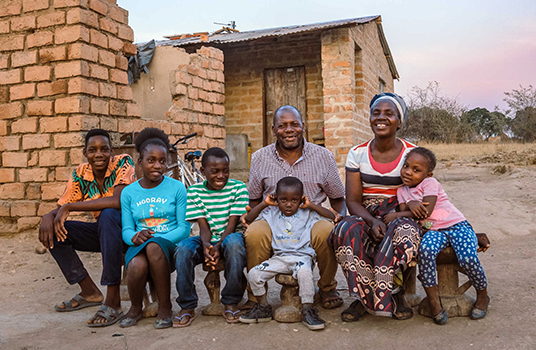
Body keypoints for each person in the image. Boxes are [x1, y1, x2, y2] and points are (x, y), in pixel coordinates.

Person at [328, 92, 421, 321]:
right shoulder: (357, 154)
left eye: (389, 114)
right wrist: (372, 221)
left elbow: (422, 193)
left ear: (399, 122)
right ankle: (363, 298)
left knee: (405, 233)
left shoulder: (412, 153)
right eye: (376, 113)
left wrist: (397, 217)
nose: (381, 118)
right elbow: (352, 201)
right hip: (367, 213)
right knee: (344, 231)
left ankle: (396, 294)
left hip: (401, 212)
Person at [244, 105, 346, 310]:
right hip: (273, 219)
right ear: (274, 130)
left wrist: (340, 216)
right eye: (282, 125)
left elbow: (337, 197)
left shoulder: (323, 156)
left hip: (311, 219)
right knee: (254, 233)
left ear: (303, 127)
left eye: (294, 124)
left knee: (327, 231)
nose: (289, 130)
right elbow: (254, 199)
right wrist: (251, 221)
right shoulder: (259, 158)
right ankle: (256, 295)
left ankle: (326, 287)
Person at [38, 129, 136, 327]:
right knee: (56, 232)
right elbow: (62, 207)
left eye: (104, 150)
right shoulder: (81, 173)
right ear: (85, 152)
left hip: (130, 233)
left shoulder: (123, 162)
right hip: (105, 234)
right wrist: (48, 217)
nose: (98, 154)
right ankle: (90, 291)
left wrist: (70, 207)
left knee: (108, 215)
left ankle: (113, 300)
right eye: (92, 150)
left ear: (112, 151)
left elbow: (116, 201)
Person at [384, 147, 490, 325]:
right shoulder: (402, 191)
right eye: (406, 166)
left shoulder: (430, 184)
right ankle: (434, 301)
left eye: (416, 170)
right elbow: (404, 209)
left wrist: (397, 215)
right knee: (425, 251)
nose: (408, 172)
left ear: (428, 174)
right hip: (433, 231)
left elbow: (426, 212)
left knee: (467, 259)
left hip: (457, 226)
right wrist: (411, 203)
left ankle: (482, 295)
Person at [240, 177, 335, 330]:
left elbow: (331, 217)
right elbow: (250, 218)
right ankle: (263, 307)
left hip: (302, 258)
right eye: (283, 199)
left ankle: (308, 309)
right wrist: (265, 203)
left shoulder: (308, 213)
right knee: (253, 274)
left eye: (294, 200)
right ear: (276, 198)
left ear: (301, 199)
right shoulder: (271, 213)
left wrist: (311, 205)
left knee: (305, 274)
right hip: (279, 258)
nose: (289, 204)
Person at [119, 128, 190, 329]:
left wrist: (157, 238)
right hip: (140, 244)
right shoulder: (129, 192)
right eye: (151, 160)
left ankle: (165, 306)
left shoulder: (177, 187)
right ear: (140, 162)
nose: (158, 166)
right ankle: (135, 307)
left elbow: (184, 228)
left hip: (168, 245)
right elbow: (126, 230)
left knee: (154, 247)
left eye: (162, 160)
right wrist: (134, 237)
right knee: (136, 265)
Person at [173, 147, 249, 327]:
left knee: (234, 244)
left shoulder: (238, 188)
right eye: (214, 172)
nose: (221, 176)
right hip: (208, 238)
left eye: (225, 171)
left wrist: (219, 244)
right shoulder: (194, 191)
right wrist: (207, 245)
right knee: (183, 248)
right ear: (203, 171)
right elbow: (203, 226)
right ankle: (187, 305)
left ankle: (231, 300)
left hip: (231, 237)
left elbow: (232, 225)